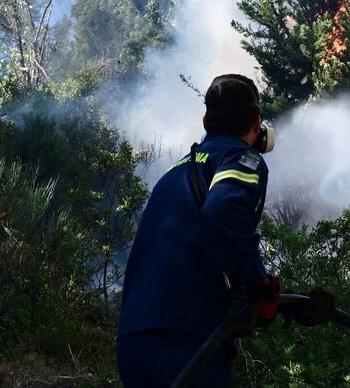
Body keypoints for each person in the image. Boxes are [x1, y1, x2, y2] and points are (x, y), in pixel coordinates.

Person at [117, 74, 280, 388]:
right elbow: (223, 212)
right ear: (258, 125)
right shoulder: (239, 158)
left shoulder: (175, 171)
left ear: (206, 121)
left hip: (134, 339)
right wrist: (259, 284)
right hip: (188, 340)